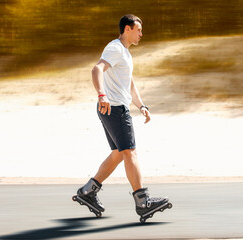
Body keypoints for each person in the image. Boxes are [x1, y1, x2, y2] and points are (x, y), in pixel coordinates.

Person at [73, 14, 171, 222]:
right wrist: (102, 95)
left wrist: (141, 105)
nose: (141, 34)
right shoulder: (115, 48)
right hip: (114, 109)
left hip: (116, 107)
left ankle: (88, 191)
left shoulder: (125, 53)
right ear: (127, 29)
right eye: (138, 30)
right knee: (130, 153)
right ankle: (142, 202)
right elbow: (96, 69)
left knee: (119, 153)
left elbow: (130, 84)